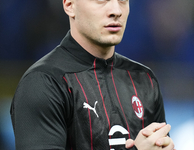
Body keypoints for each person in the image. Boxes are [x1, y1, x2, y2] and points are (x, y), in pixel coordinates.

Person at [10, 0, 175, 149]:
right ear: (70, 6)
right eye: (101, 0)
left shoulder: (144, 79)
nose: (116, 10)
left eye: (123, 0)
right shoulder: (44, 83)